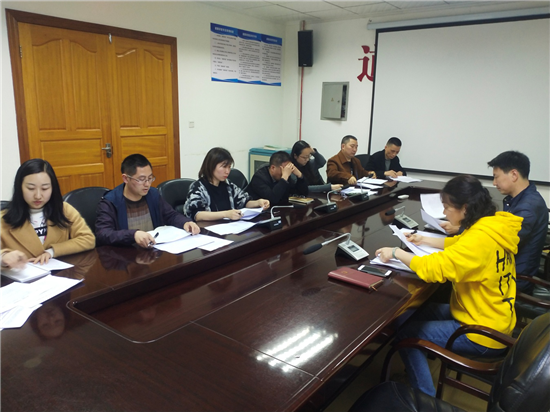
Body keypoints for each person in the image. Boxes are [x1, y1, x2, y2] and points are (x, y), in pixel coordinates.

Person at [375, 175, 521, 397]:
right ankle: (417, 364)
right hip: (490, 314)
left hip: (482, 333)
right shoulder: (491, 226)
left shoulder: (478, 241)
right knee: (414, 311)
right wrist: (423, 239)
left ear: (465, 208)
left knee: (406, 334)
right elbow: (459, 243)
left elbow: (433, 269)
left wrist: (396, 253)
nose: (444, 213)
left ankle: (424, 398)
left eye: (446, 207)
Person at [441, 151, 548, 294]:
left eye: (496, 177)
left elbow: (495, 243)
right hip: (508, 267)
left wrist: (462, 229)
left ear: (514, 175)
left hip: (513, 278)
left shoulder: (527, 209)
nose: (494, 183)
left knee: (454, 275)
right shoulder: (522, 199)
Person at [1, 158, 95, 269]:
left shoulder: (64, 209)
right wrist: (3, 258)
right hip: (23, 276)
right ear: (19, 187)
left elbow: (88, 239)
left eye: (45, 188)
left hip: (59, 275)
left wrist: (52, 251)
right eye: (31, 188)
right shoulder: (3, 218)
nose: (38, 196)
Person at [95, 154, 200, 248]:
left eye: (150, 178)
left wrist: (186, 222)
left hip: (153, 251)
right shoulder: (110, 202)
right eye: (141, 179)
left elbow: (170, 215)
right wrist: (133, 235)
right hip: (125, 255)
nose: (147, 184)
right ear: (126, 179)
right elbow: (103, 234)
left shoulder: (153, 194)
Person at [184, 147, 270, 221]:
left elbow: (244, 202)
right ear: (211, 166)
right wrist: (226, 214)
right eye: (224, 167)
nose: (227, 171)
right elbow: (198, 215)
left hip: (230, 228)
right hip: (208, 230)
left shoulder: (228, 185)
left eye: (229, 167)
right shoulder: (198, 187)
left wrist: (258, 202)